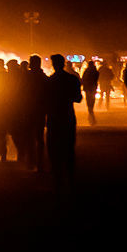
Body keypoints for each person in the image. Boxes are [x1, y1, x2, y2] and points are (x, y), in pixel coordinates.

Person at [45, 55, 83, 191]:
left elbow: (43, 101)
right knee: (68, 148)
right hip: (67, 117)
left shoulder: (49, 81)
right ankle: (70, 178)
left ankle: (57, 179)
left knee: (54, 149)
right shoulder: (72, 79)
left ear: (54, 65)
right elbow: (78, 98)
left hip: (54, 119)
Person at [81, 60, 100, 126]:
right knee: (92, 100)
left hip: (87, 88)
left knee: (88, 100)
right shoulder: (95, 71)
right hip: (93, 87)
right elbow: (97, 78)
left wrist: (82, 85)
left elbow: (83, 79)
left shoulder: (86, 71)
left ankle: (90, 112)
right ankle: (91, 112)